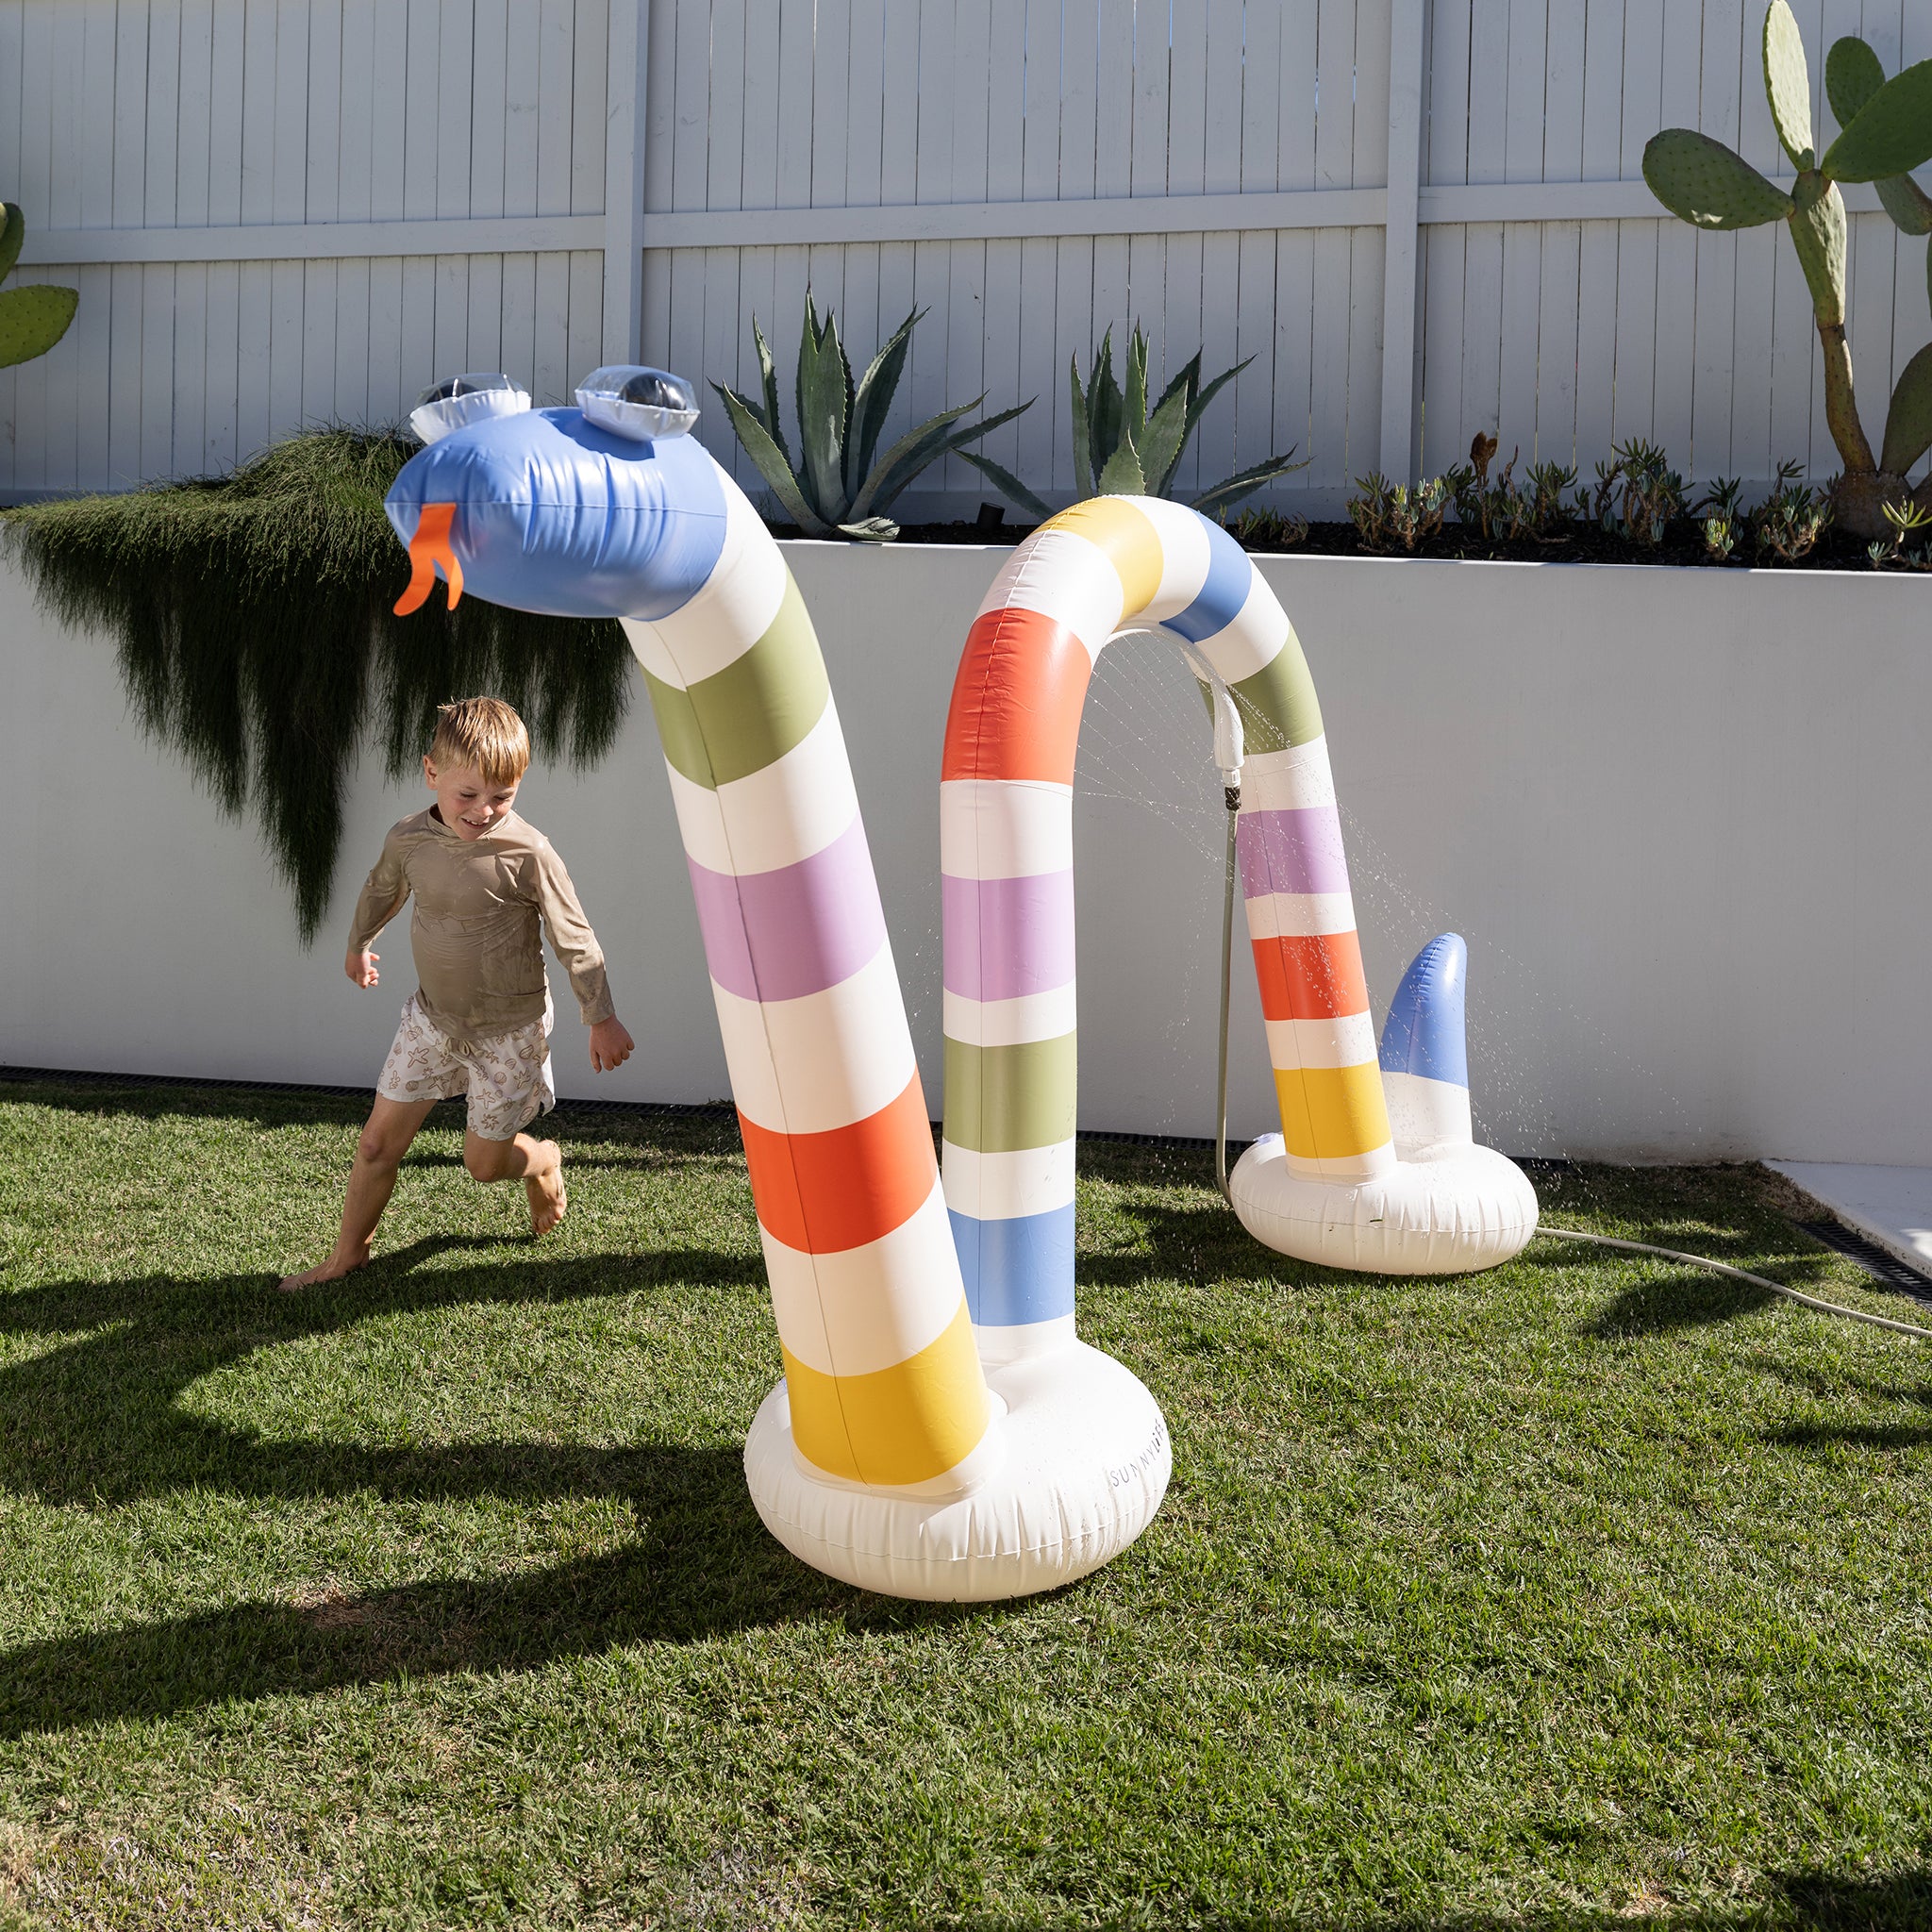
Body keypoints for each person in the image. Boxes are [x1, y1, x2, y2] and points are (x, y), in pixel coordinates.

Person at [279, 696, 635, 1291]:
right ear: (432, 772)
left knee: (483, 1165)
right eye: (467, 794)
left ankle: (543, 1159)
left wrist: (601, 1017)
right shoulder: (409, 839)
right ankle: (349, 1256)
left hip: (509, 1032)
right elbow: (382, 888)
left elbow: (574, 936)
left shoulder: (528, 852)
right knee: (375, 1144)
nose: (483, 810)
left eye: (502, 797)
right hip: (432, 1021)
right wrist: (358, 943)